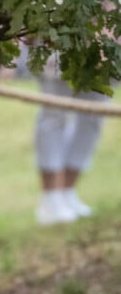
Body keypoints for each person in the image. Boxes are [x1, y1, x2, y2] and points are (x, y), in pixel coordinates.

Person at [34, 54, 106, 225]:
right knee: (54, 114)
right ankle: (51, 196)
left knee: (94, 117)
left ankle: (67, 190)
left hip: (107, 41)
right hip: (61, 45)